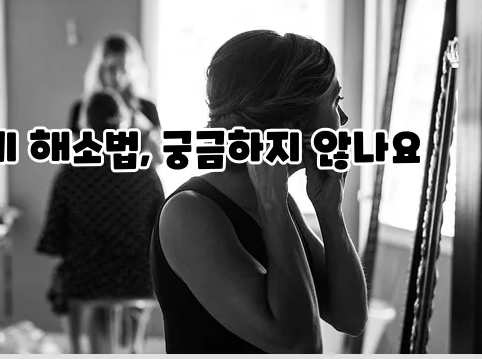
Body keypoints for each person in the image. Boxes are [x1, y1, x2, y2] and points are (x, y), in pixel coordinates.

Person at [150, 30, 368, 353]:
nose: (344, 119)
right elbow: (300, 346)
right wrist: (273, 207)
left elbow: (350, 317)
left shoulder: (280, 204)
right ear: (293, 120)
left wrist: (330, 213)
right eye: (335, 102)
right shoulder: (188, 213)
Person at [37, 89, 166, 353]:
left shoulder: (72, 170)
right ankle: (134, 346)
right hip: (137, 277)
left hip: (86, 276)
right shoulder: (144, 168)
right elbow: (160, 225)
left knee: (69, 277)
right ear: (122, 123)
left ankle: (77, 349)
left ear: (86, 123)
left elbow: (54, 231)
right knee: (143, 268)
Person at [67, 32, 163, 164]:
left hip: (136, 174)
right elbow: (73, 158)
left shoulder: (146, 107)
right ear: (101, 69)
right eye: (111, 69)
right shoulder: (81, 108)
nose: (117, 76)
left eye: (123, 69)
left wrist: (142, 126)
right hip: (95, 174)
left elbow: (159, 159)